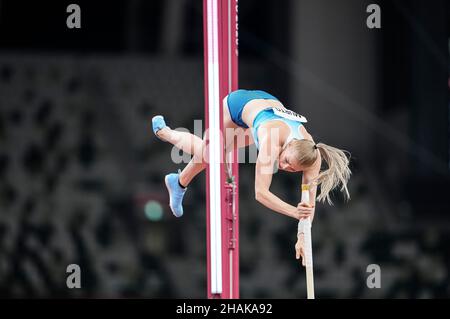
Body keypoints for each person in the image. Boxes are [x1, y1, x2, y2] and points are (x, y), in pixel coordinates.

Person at [151, 89, 351, 264]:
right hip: (236, 106)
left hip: (264, 103)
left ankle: (178, 183)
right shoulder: (271, 143)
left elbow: (308, 204)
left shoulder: (312, 156)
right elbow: (260, 193)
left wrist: (302, 235)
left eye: (292, 169)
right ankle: (165, 133)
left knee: (216, 153)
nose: (284, 166)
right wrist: (293, 212)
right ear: (288, 145)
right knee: (212, 154)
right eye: (287, 161)